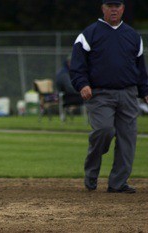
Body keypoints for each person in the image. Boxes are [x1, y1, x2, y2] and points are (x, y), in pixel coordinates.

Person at [70, 0, 148, 193]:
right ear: (102, 8)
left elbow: (140, 69)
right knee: (104, 130)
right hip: (100, 94)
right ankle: (92, 172)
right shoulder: (89, 34)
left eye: (117, 6)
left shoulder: (133, 36)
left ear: (123, 8)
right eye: (109, 6)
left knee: (127, 138)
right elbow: (77, 66)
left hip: (129, 93)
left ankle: (118, 183)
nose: (114, 9)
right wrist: (83, 84)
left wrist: (145, 92)